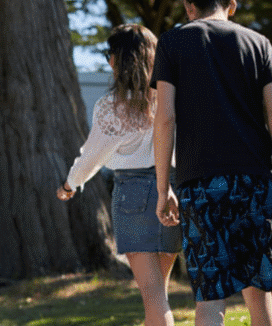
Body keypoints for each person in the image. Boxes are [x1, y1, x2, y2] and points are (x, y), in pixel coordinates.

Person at [152, 0, 272, 326]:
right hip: (255, 182)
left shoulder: (172, 43)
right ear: (231, 4)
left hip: (200, 184)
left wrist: (163, 189)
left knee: (210, 296)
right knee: (258, 295)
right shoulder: (259, 44)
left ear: (188, 6)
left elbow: (165, 119)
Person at [57, 24, 182, 326]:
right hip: (173, 192)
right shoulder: (170, 97)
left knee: (153, 296)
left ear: (117, 60)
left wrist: (69, 184)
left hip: (134, 196)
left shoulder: (111, 107)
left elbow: (92, 156)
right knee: (158, 294)